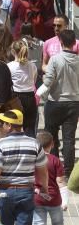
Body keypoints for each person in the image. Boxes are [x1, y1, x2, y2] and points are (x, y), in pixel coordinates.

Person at [37, 28, 79, 177]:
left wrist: (38, 93)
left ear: (60, 42)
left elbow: (48, 82)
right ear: (74, 42)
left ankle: (53, 168)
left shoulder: (55, 59)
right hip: (74, 103)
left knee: (51, 137)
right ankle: (68, 171)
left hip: (55, 102)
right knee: (69, 139)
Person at [33, 130, 68, 225]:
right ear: (52, 144)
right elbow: (61, 182)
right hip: (54, 199)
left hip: (37, 198)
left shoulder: (33, 159)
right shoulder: (55, 160)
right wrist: (65, 201)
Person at [7, 40, 37, 137]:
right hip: (30, 97)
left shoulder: (10, 66)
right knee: (30, 128)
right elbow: (34, 81)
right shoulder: (32, 65)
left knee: (15, 127)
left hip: (16, 98)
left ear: (12, 51)